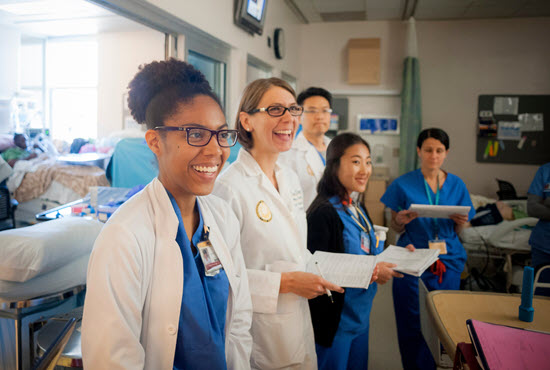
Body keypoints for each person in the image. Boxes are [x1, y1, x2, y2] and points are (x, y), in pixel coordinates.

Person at [82, 59, 253, 370]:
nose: (215, 150)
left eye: (220, 134)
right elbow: (112, 359)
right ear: (154, 142)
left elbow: (239, 318)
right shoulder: (125, 237)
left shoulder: (222, 217)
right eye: (197, 135)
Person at [214, 77, 343, 370]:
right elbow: (220, 277)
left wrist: (359, 270)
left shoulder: (289, 178)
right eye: (275, 109)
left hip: (296, 320)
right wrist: (284, 283)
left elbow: (296, 250)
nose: (289, 119)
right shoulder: (229, 188)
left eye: (292, 109)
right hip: (258, 333)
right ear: (246, 120)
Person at [306, 132, 412, 369]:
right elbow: (318, 271)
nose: (364, 169)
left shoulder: (356, 205)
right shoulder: (323, 213)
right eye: (355, 161)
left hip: (360, 318)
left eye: (368, 161)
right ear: (334, 165)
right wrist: (373, 270)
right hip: (336, 324)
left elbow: (365, 251)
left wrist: (401, 256)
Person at [380, 128, 475, 370]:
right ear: (419, 151)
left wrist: (461, 223)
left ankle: (439, 364)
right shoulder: (402, 184)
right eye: (429, 150)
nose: (434, 155)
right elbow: (395, 226)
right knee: (411, 319)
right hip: (413, 257)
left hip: (448, 259)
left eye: (439, 150)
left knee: (443, 319)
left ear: (446, 153)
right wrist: (401, 221)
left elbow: (459, 231)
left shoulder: (457, 185)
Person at [279, 87, 332, 209]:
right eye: (312, 111)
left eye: (325, 111)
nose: (320, 116)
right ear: (299, 116)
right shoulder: (287, 153)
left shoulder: (337, 148)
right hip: (306, 222)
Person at [527, 162, 550, 296]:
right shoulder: (545, 171)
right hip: (543, 246)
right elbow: (532, 208)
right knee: (539, 298)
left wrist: (547, 201)